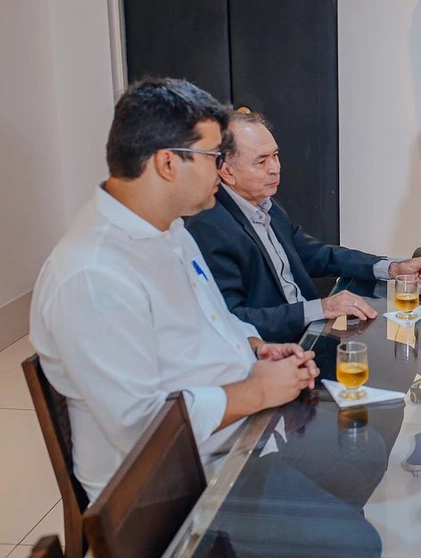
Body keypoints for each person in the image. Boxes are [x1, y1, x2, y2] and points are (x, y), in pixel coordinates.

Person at [29, 79, 320, 503]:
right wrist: (257, 390)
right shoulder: (92, 275)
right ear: (167, 164)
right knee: (357, 527)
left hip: (232, 441)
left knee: (362, 456)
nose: (221, 168)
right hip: (169, 492)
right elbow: (140, 430)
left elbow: (212, 320)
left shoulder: (170, 229)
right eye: (213, 156)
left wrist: (255, 346)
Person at [186, 111, 421, 343]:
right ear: (227, 173)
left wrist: (391, 267)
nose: (276, 168)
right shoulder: (211, 228)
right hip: (276, 349)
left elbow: (316, 255)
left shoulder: (264, 203)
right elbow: (234, 319)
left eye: (275, 155)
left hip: (314, 332)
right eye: (261, 162)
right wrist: (323, 307)